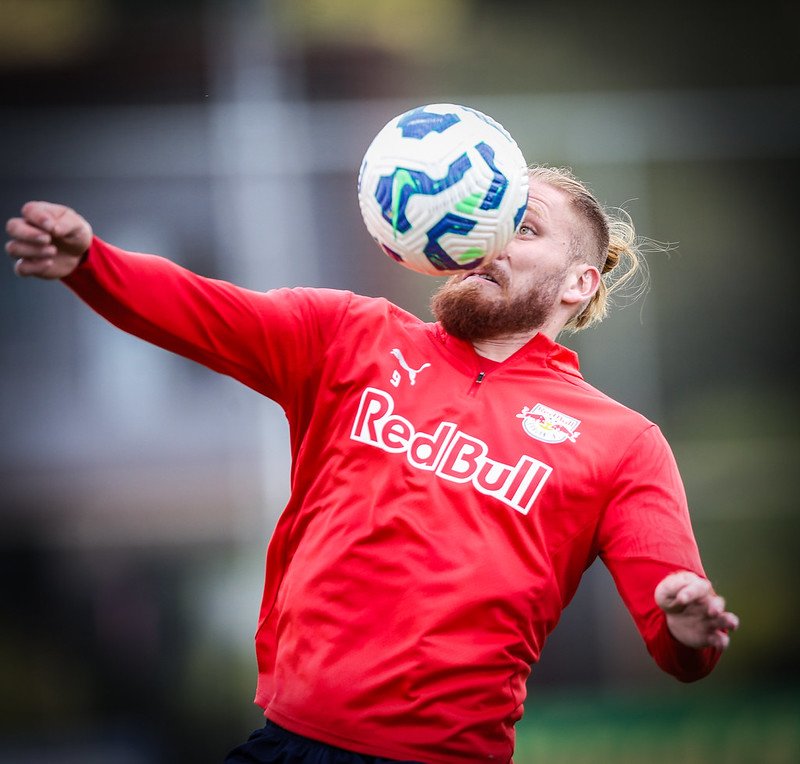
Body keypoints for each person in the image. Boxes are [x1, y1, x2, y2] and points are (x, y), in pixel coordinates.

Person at [5, 165, 739, 764]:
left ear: (579, 283)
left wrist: (685, 618)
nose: (488, 236)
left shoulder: (621, 439)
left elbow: (679, 639)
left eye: (523, 225)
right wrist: (90, 264)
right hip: (284, 744)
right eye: (485, 213)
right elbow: (202, 310)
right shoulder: (351, 336)